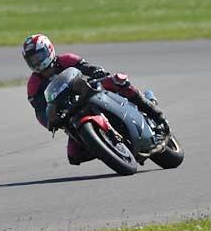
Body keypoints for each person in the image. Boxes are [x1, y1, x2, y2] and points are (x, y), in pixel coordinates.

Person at [22, 34, 166, 164]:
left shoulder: (66, 59)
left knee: (117, 81)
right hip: (69, 112)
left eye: (38, 56)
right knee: (74, 156)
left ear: (49, 50)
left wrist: (97, 72)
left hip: (90, 91)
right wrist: (49, 121)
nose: (36, 62)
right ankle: (107, 146)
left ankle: (155, 114)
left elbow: (88, 68)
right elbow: (39, 110)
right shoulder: (34, 84)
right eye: (32, 60)